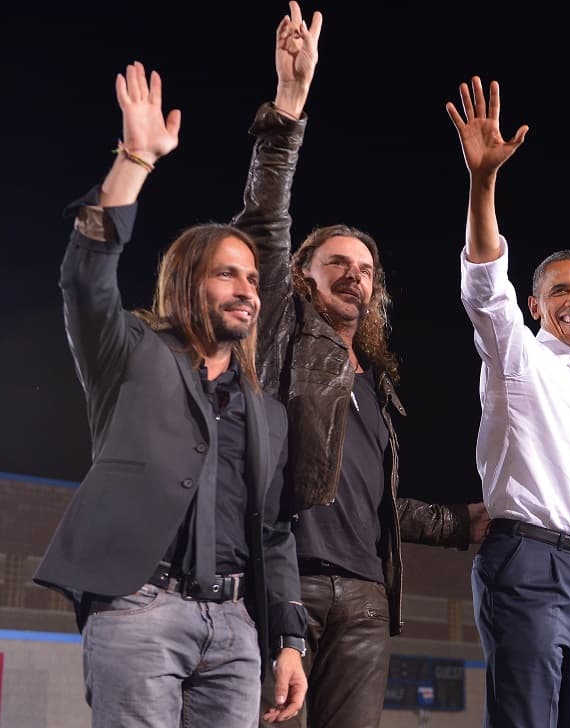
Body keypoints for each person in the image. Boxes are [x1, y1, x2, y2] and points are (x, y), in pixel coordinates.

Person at [229, 5, 490, 727]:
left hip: (369, 601)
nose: (355, 276)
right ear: (302, 278)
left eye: (366, 268)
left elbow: (373, 504)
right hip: (286, 588)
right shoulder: (282, 332)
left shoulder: (374, 384)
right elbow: (265, 219)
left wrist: (462, 521)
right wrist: (288, 106)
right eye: (337, 263)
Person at [32, 60, 308, 727]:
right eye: (227, 274)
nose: (247, 288)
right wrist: (135, 159)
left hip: (236, 627)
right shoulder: (127, 351)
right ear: (187, 282)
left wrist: (290, 639)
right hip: (137, 607)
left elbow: (273, 532)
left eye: (252, 278)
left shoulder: (263, 408)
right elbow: (85, 277)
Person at [446, 75, 570, 728]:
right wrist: (483, 180)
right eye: (560, 288)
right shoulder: (517, 356)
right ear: (535, 304)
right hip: (530, 566)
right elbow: (484, 286)